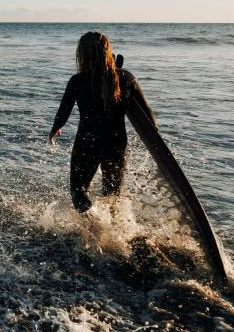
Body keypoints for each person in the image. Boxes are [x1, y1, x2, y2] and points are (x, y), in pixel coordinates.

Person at [49, 32, 156, 213]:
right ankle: (114, 230)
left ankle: (92, 224)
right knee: (113, 195)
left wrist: (55, 129)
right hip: (116, 143)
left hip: (87, 142)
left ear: (81, 54)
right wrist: (155, 141)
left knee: (78, 190)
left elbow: (64, 111)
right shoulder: (125, 78)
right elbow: (147, 116)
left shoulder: (77, 81)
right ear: (108, 51)